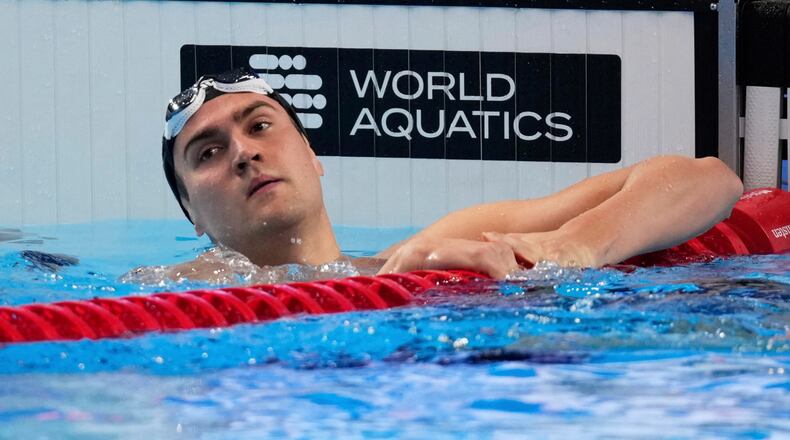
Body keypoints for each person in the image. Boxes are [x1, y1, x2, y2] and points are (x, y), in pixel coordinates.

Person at [157, 68, 743, 281]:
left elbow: (708, 179)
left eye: (260, 125)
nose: (242, 153)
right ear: (190, 214)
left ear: (314, 157)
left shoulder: (432, 247)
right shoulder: (177, 288)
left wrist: (571, 246)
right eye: (206, 153)